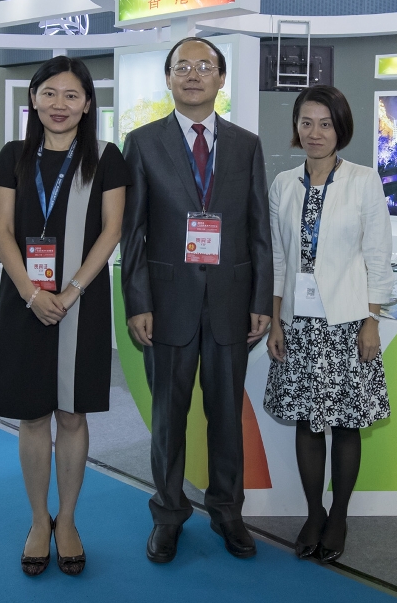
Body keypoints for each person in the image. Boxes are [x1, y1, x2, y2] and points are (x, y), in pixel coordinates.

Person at [122, 36, 273, 564]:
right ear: (168, 78)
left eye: (204, 66)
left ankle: (227, 511)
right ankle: (168, 513)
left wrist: (262, 299)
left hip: (232, 303)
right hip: (166, 306)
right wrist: (137, 301)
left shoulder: (246, 145)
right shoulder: (141, 144)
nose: (193, 75)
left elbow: (259, 229)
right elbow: (133, 233)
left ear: (221, 79)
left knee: (226, 415)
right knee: (169, 416)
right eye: (182, 66)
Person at [0, 56, 129, 578]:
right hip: (24, 302)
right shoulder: (13, 156)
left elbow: (111, 231)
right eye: (49, 93)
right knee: (32, 415)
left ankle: (66, 519)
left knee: (72, 414)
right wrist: (31, 291)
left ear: (88, 103)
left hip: (81, 302)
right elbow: (4, 230)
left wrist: (69, 291)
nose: (60, 105)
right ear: (33, 99)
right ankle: (37, 521)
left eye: (72, 95)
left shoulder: (106, 158)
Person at [264, 85, 394, 564]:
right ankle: (313, 512)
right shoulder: (282, 183)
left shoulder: (363, 181)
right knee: (305, 420)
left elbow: (378, 257)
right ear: (296, 126)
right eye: (306, 122)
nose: (314, 132)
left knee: (343, 424)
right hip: (299, 323)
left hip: (346, 321)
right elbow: (279, 258)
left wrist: (371, 321)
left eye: (325, 123)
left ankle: (339, 515)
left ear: (341, 128)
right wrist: (277, 319)